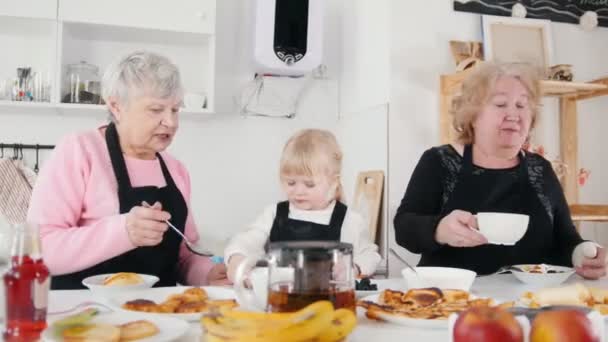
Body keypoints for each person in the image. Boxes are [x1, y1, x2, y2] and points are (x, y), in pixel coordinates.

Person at [27, 51, 228, 289]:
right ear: (116, 106)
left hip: (157, 313)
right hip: (82, 315)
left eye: (175, 110)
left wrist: (207, 273)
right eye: (156, 110)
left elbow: (184, 255)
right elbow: (37, 250)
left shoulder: (176, 170)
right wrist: (124, 232)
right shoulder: (79, 151)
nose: (171, 122)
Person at [394, 62, 606, 279]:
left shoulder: (540, 168)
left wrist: (583, 254)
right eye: (501, 104)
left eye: (522, 106)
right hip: (451, 301)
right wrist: (439, 230)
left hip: (529, 303)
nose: (513, 114)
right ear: (473, 115)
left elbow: (565, 239)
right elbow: (404, 229)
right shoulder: (439, 161)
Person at [225, 129, 381, 282]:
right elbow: (246, 242)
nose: (298, 191)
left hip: (329, 302)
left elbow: (370, 255)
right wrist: (237, 258)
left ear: (333, 183)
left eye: (309, 184)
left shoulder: (350, 220)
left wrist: (354, 267)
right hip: (281, 300)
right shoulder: (273, 214)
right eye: (291, 182)